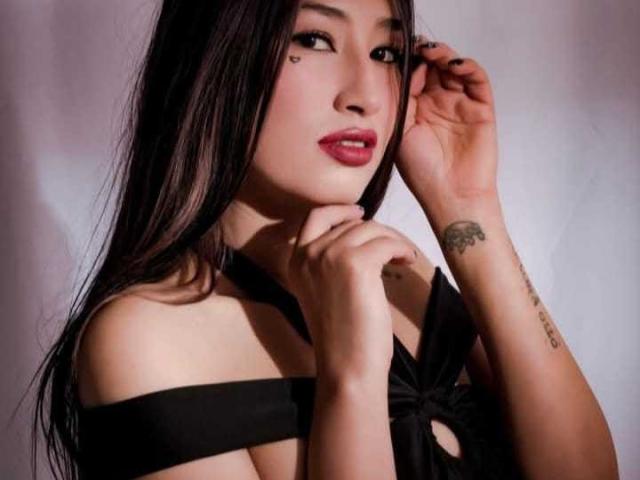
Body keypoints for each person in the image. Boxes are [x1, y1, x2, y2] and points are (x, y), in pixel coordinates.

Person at [30, 0, 619, 479]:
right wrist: (352, 377)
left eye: (385, 52)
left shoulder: (399, 275)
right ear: (215, 55)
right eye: (314, 40)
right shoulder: (144, 340)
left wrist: (468, 208)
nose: (365, 94)